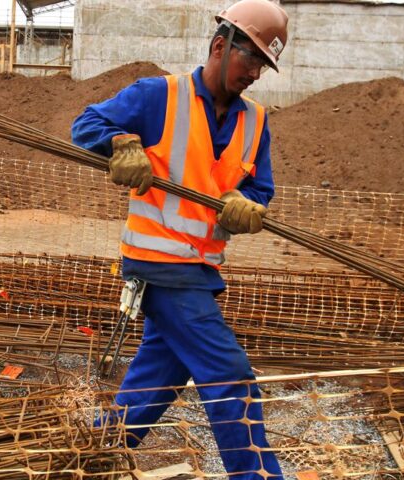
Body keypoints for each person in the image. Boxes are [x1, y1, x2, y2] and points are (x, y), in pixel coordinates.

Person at [71, 0, 288, 478]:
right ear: (219, 45)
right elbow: (86, 124)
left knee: (160, 374)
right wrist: (121, 144)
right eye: (249, 58)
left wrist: (247, 204)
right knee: (230, 374)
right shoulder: (157, 96)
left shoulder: (255, 122)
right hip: (158, 263)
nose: (254, 73)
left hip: (200, 268)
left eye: (262, 64)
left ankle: (94, 449)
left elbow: (260, 188)